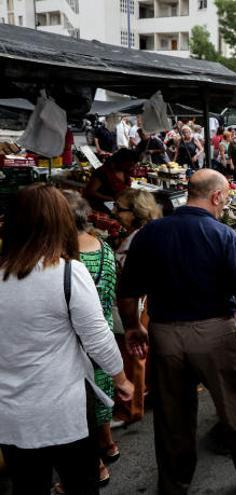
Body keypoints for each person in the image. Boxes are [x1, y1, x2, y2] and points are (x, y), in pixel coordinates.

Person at [118, 169, 236, 495]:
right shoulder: (222, 235)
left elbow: (127, 292)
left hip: (165, 333)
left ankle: (175, 485)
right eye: (225, 198)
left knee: (173, 417)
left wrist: (132, 328)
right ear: (216, 196)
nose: (225, 203)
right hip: (215, 333)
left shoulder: (149, 233)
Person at [0, 184, 133, 495]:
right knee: (80, 483)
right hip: (62, 410)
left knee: (28, 485)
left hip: (10, 411)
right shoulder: (67, 272)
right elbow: (98, 337)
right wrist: (122, 379)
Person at [63, 190, 121, 487]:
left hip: (78, 339)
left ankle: (95, 463)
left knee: (84, 402)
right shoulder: (104, 247)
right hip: (105, 330)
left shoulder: (65, 257)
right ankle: (109, 443)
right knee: (103, 390)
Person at [112, 188, 161, 424]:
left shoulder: (139, 239)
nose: (115, 212)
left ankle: (131, 407)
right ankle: (141, 398)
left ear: (135, 212)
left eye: (119, 208)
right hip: (143, 303)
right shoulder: (145, 233)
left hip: (139, 304)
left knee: (134, 355)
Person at [83, 148, 138, 213]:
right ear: (120, 161)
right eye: (129, 165)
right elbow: (90, 191)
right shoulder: (102, 172)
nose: (131, 168)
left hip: (119, 205)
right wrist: (109, 198)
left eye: (132, 165)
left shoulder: (125, 171)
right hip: (101, 207)